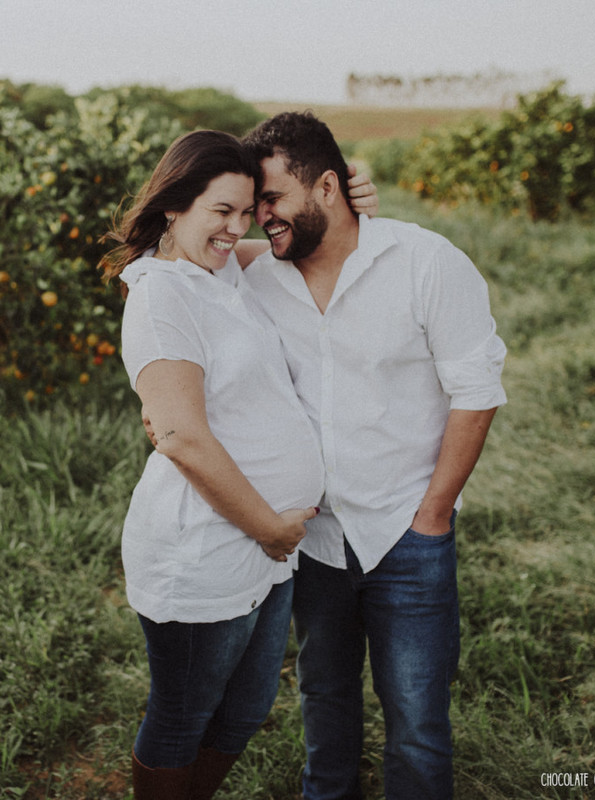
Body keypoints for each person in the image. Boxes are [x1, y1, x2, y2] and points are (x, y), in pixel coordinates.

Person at [98, 129, 378, 800]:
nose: (237, 227)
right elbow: (181, 436)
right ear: (174, 206)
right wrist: (273, 530)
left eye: (247, 210)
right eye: (220, 210)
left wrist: (353, 200)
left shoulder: (223, 269)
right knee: (183, 714)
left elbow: (307, 244)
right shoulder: (164, 295)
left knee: (246, 710)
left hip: (266, 547)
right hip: (211, 547)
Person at [236, 111, 507, 800]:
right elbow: (173, 258)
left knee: (416, 721)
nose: (259, 217)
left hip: (406, 532)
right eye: (252, 204)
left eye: (271, 199)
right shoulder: (260, 278)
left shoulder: (425, 262)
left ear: (327, 186)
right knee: (323, 705)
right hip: (313, 539)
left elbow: (476, 392)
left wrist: (435, 514)